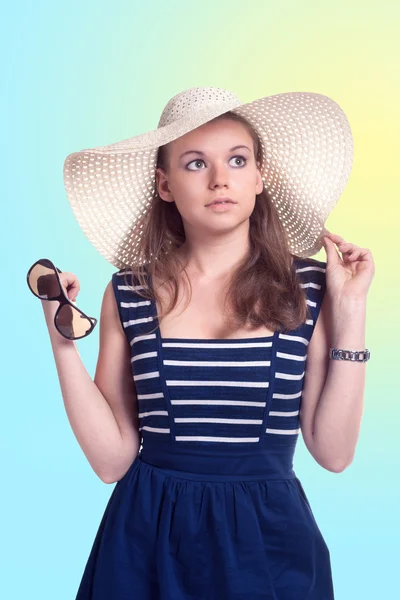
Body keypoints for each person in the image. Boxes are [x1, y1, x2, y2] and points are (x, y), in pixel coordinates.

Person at [43, 86, 374, 599]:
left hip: (270, 546)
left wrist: (350, 312)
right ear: (165, 185)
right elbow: (111, 462)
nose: (221, 179)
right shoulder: (129, 293)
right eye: (195, 164)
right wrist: (62, 342)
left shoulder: (310, 287)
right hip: (146, 543)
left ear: (260, 176)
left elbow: (333, 452)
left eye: (237, 160)